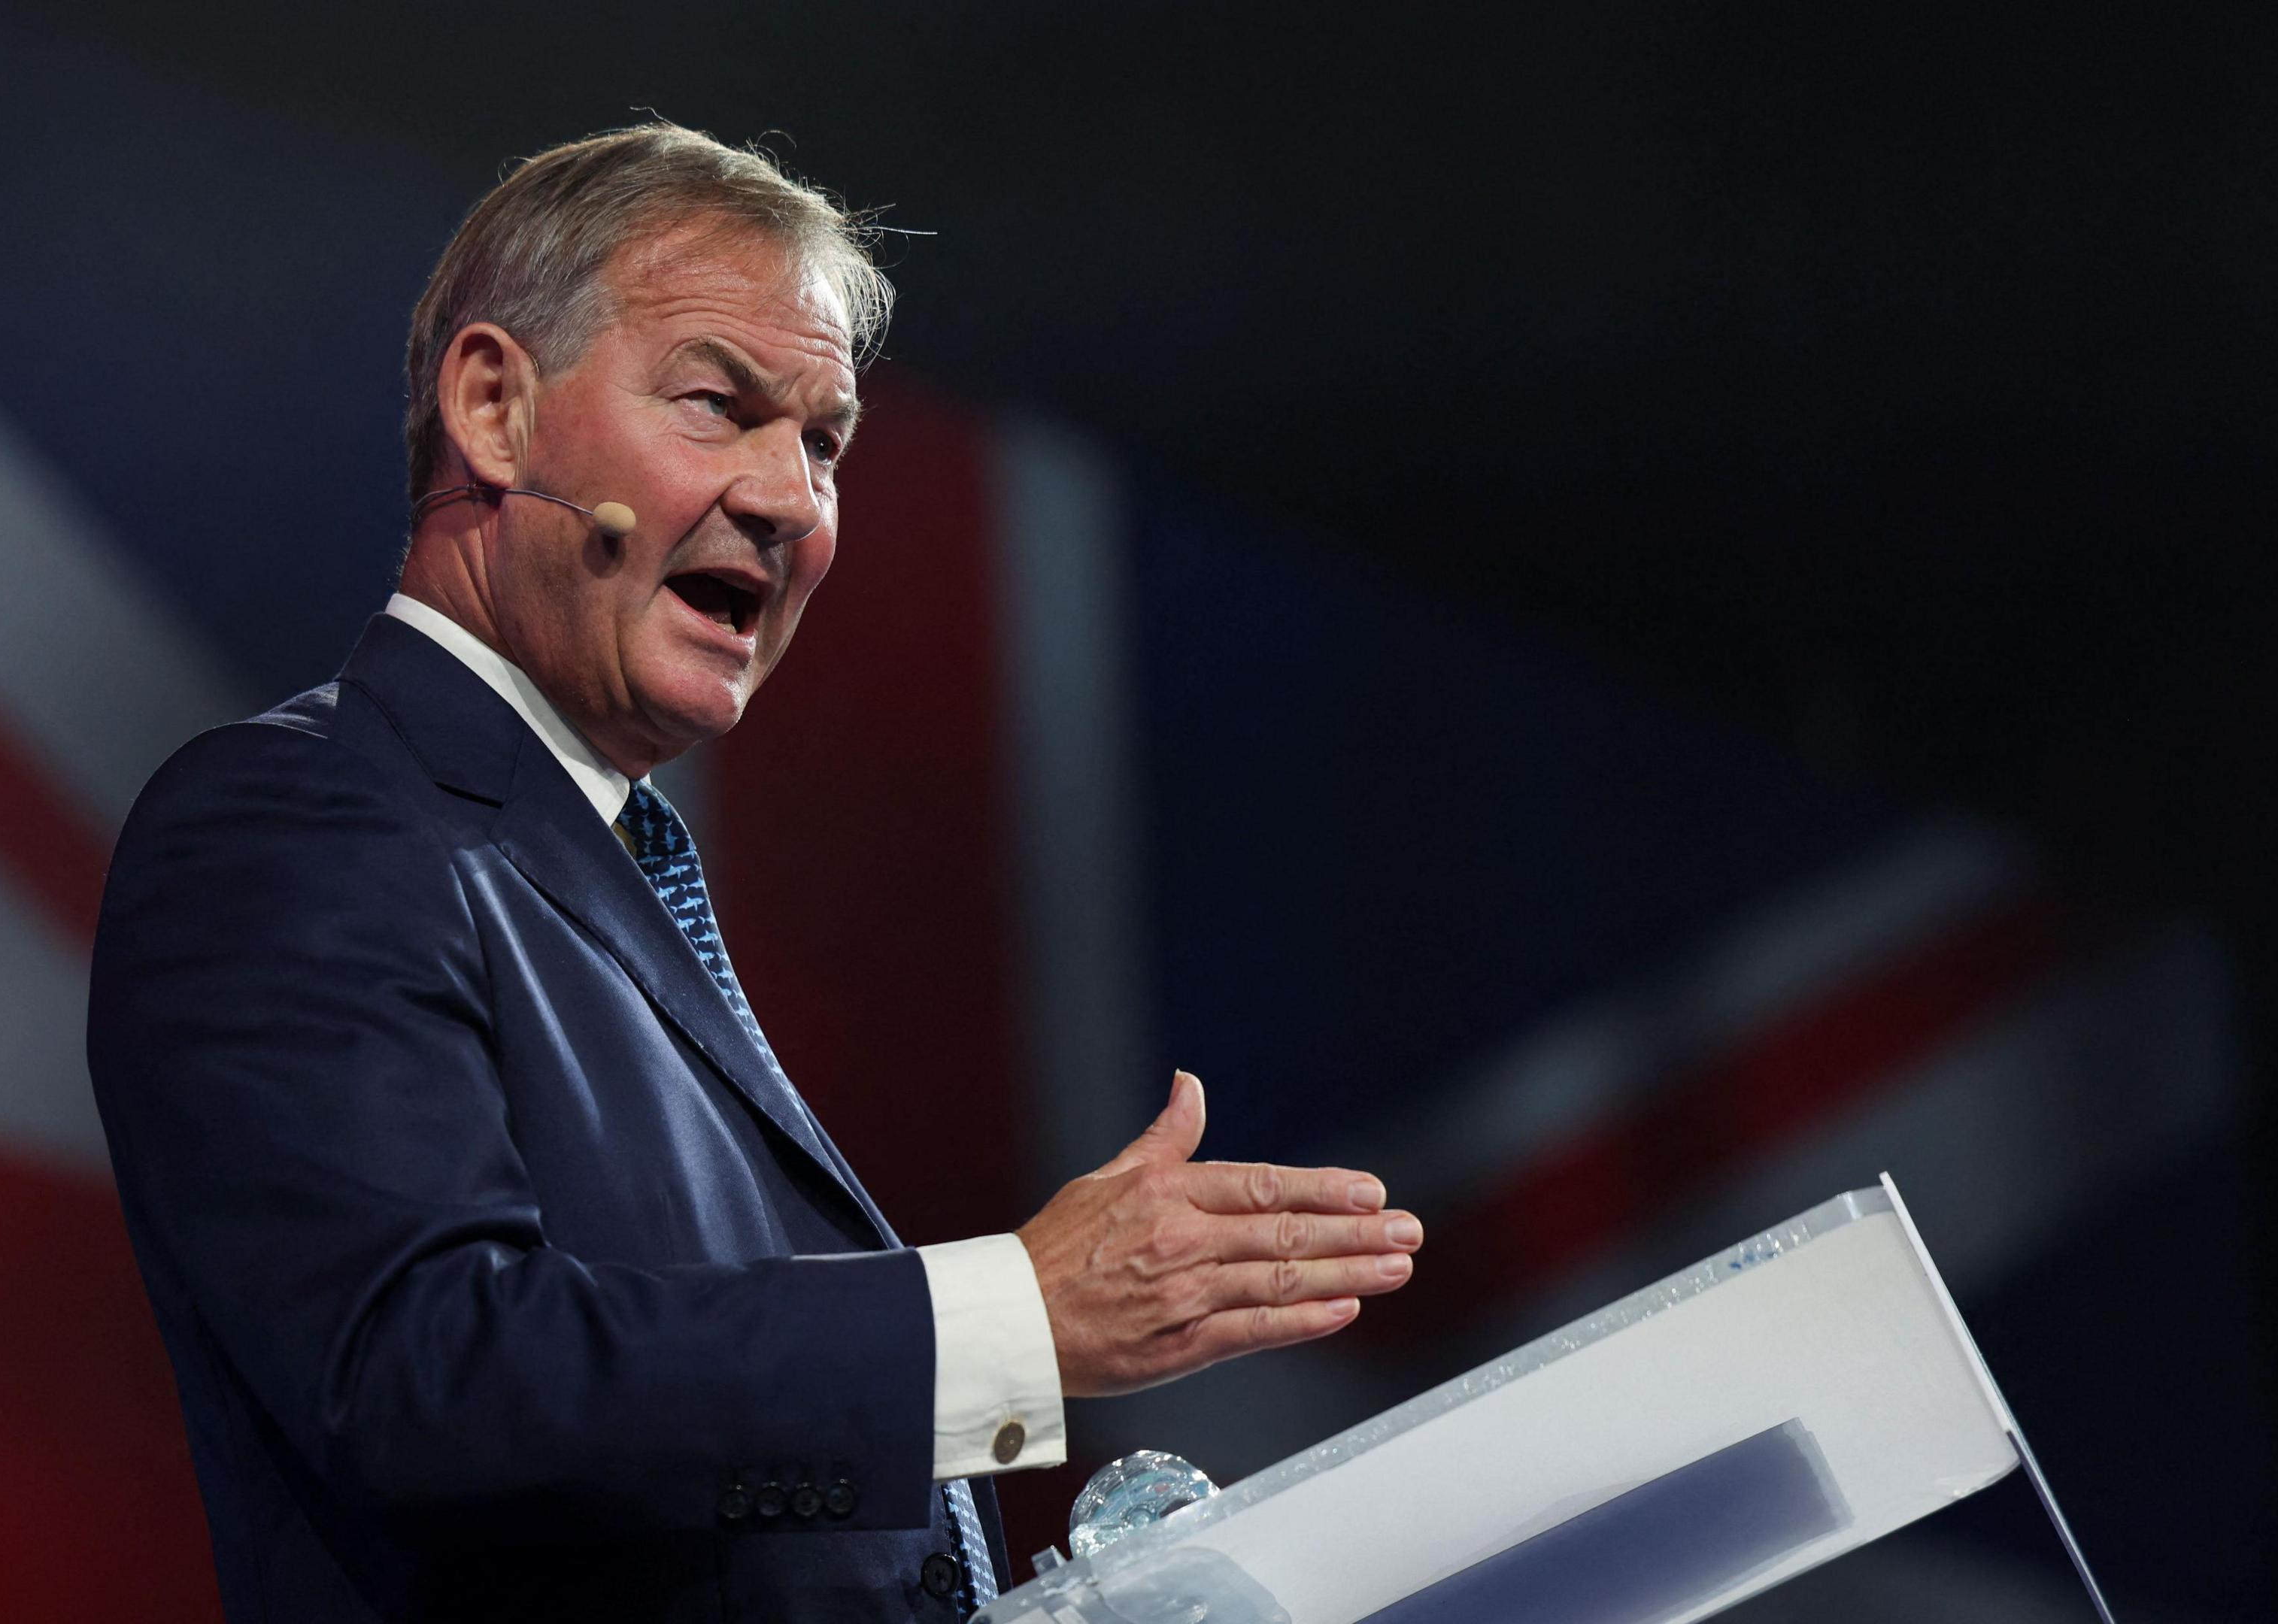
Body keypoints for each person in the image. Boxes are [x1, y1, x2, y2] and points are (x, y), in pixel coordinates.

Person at [86, 124, 1422, 1624]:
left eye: (826, 443)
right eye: (721, 406)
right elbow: (427, 1392)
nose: (790, 498)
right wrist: (1009, 1318)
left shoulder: (600, 865)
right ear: (493, 409)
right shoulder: (299, 817)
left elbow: (652, 1491)